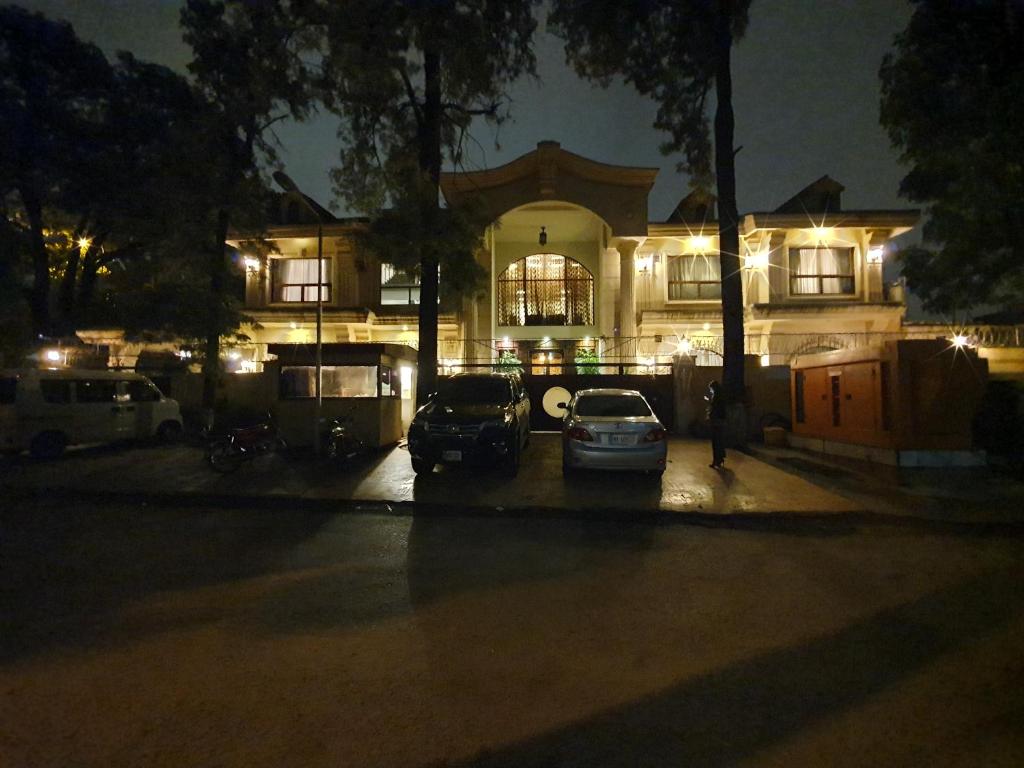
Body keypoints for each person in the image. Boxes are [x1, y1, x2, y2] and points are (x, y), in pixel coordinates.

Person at [705, 380, 727, 469]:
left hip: (716, 421)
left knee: (716, 441)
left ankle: (716, 460)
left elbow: (714, 408)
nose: (710, 391)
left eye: (711, 389)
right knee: (720, 441)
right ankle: (720, 459)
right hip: (720, 421)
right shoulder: (721, 397)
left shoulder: (716, 398)